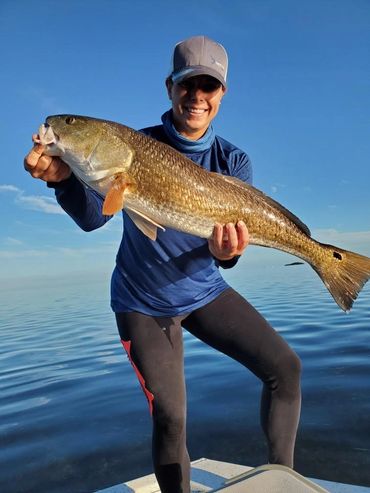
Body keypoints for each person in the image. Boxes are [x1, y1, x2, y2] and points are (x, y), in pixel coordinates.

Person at [24, 35, 301, 493]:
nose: (196, 96)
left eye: (208, 87)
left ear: (222, 95)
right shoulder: (132, 147)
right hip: (142, 303)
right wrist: (62, 181)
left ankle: (282, 481)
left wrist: (226, 255)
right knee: (172, 415)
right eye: (186, 84)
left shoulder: (233, 161)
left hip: (205, 292)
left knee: (286, 368)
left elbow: (227, 249)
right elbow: (95, 218)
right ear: (169, 87)